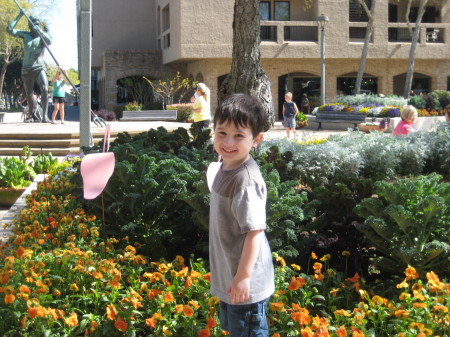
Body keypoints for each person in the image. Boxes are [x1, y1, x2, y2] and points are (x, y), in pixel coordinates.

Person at [209, 93, 274, 337]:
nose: (228, 141)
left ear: (256, 140)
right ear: (213, 130)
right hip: (231, 277)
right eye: (222, 132)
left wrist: (243, 277)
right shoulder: (225, 165)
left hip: (245, 283)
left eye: (238, 135)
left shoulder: (245, 180)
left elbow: (255, 231)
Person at [7, 10, 51, 123]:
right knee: (29, 93)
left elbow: (50, 40)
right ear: (29, 25)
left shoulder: (42, 35)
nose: (34, 24)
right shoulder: (25, 34)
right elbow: (10, 30)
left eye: (36, 22)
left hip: (39, 66)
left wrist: (40, 30)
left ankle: (45, 116)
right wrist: (19, 16)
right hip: (26, 68)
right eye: (32, 22)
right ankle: (33, 113)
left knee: (45, 89)